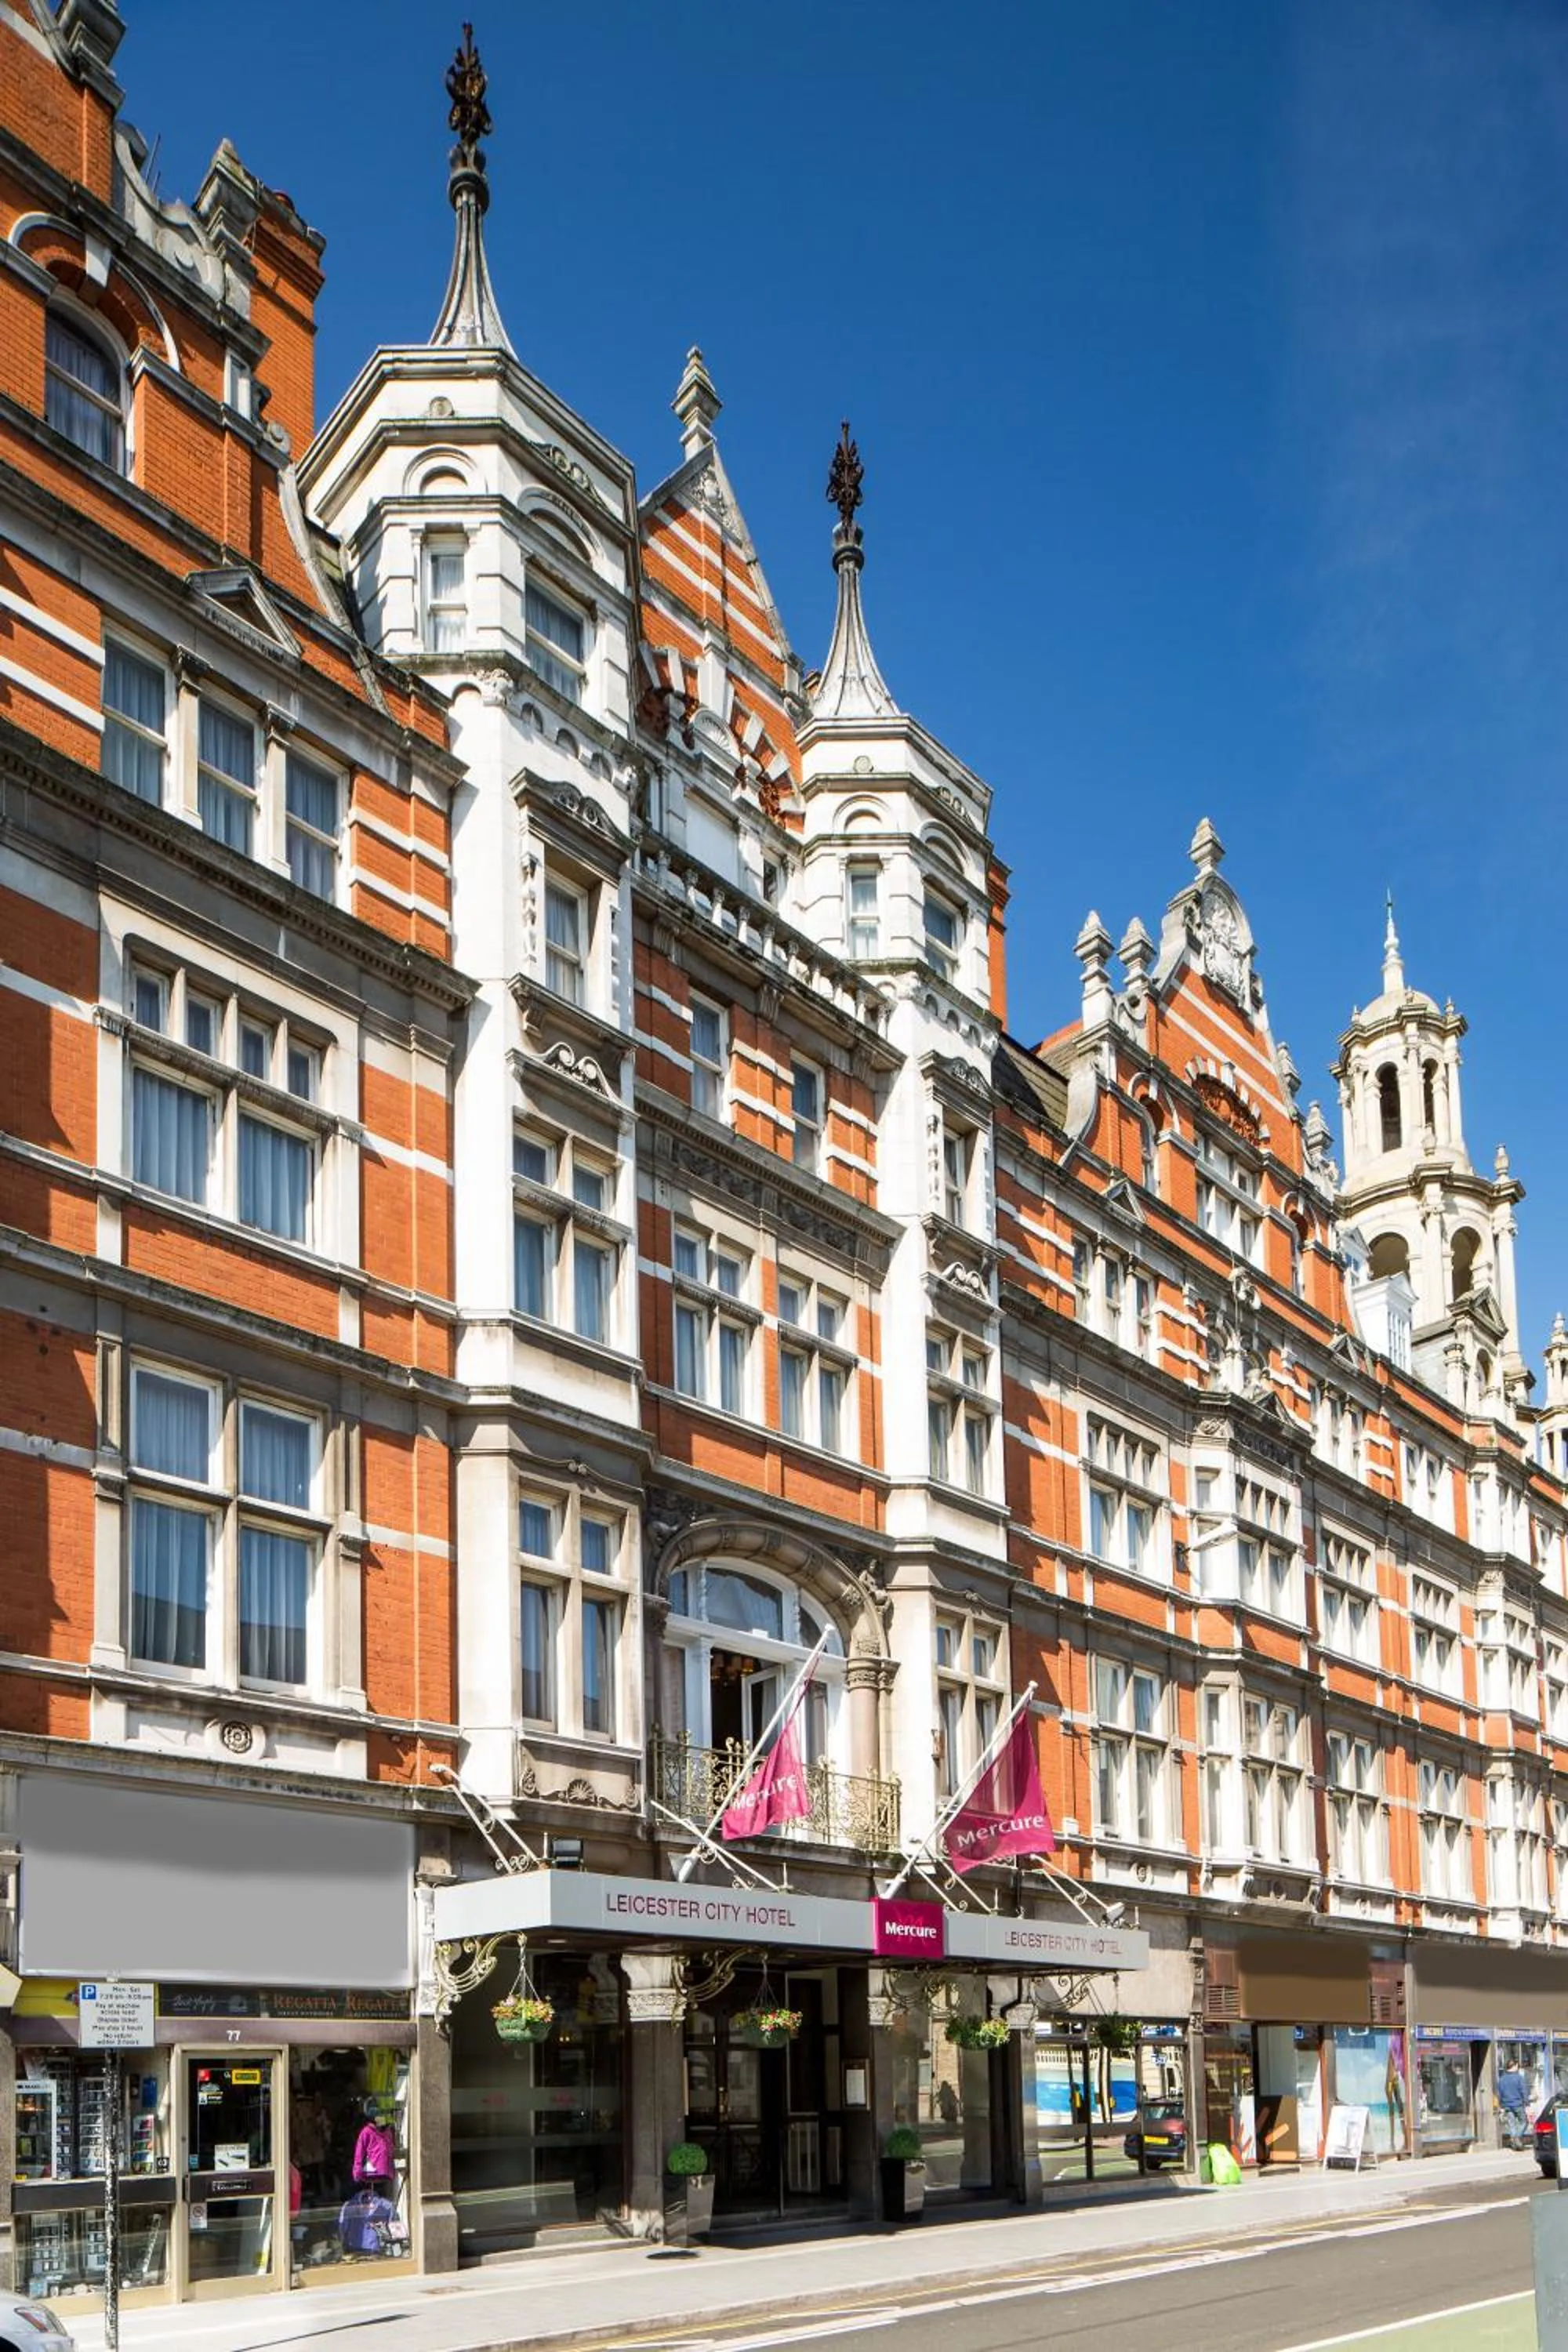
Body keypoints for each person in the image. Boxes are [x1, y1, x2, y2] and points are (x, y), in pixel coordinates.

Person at [1497, 2060, 1530, 2151]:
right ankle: (1517, 2137)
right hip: (1517, 2104)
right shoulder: (1519, 2078)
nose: (1518, 2068)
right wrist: (1526, 2102)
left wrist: (1501, 2106)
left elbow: (1499, 2093)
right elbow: (1524, 2091)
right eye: (1517, 2066)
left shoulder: (1502, 2079)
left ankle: (1514, 2143)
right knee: (1524, 2122)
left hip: (1506, 2105)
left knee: (1512, 2124)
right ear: (1514, 2066)